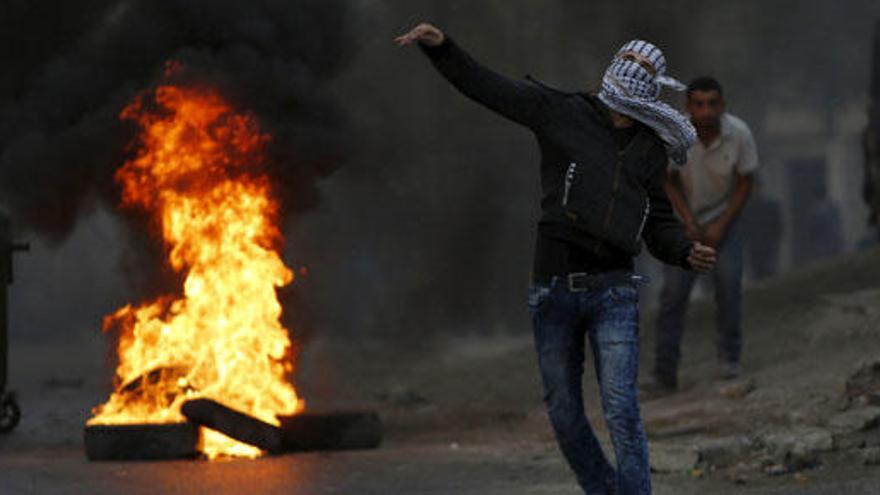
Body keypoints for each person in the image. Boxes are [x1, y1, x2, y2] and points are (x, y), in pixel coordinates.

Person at [396, 23, 716, 495]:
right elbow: (491, 88)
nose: (636, 73)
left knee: (622, 411)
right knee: (565, 414)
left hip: (615, 290)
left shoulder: (649, 148)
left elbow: (658, 222)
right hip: (554, 287)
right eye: (632, 62)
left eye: (648, 70)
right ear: (614, 63)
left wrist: (684, 251)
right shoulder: (562, 112)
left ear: (655, 85)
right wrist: (443, 50)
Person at [645, 77, 758, 397]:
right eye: (699, 104)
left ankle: (729, 359)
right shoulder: (675, 135)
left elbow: (746, 182)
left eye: (712, 104)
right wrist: (687, 221)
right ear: (688, 107)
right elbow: (667, 181)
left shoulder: (739, 134)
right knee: (673, 295)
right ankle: (665, 373)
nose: (705, 111)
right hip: (685, 222)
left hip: (725, 219)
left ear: (722, 106)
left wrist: (721, 224)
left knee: (729, 282)